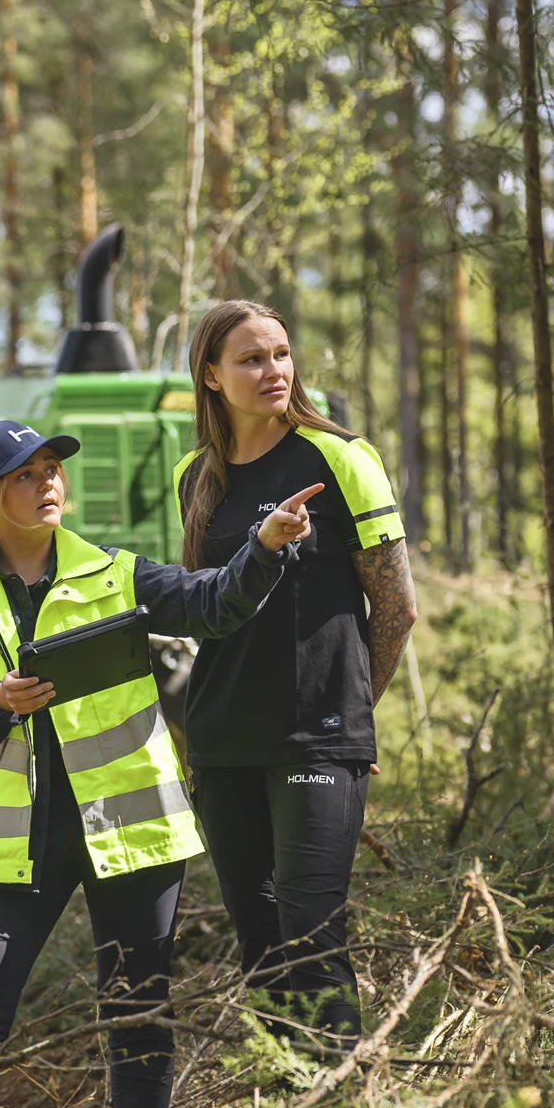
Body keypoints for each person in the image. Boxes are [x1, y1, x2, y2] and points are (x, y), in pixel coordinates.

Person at [0, 419, 317, 1108]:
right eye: (27, 475)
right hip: (15, 847)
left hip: (131, 831)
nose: (49, 484)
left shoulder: (115, 571)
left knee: (137, 1007)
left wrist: (265, 547)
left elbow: (212, 606)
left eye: (52, 470)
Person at [172, 301, 416, 1049]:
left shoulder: (341, 458)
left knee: (311, 937)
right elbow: (205, 605)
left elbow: (397, 608)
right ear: (211, 377)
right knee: (262, 951)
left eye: (280, 354)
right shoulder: (195, 477)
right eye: (251, 358)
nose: (273, 370)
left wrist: (351, 715)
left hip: (318, 738)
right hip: (222, 743)